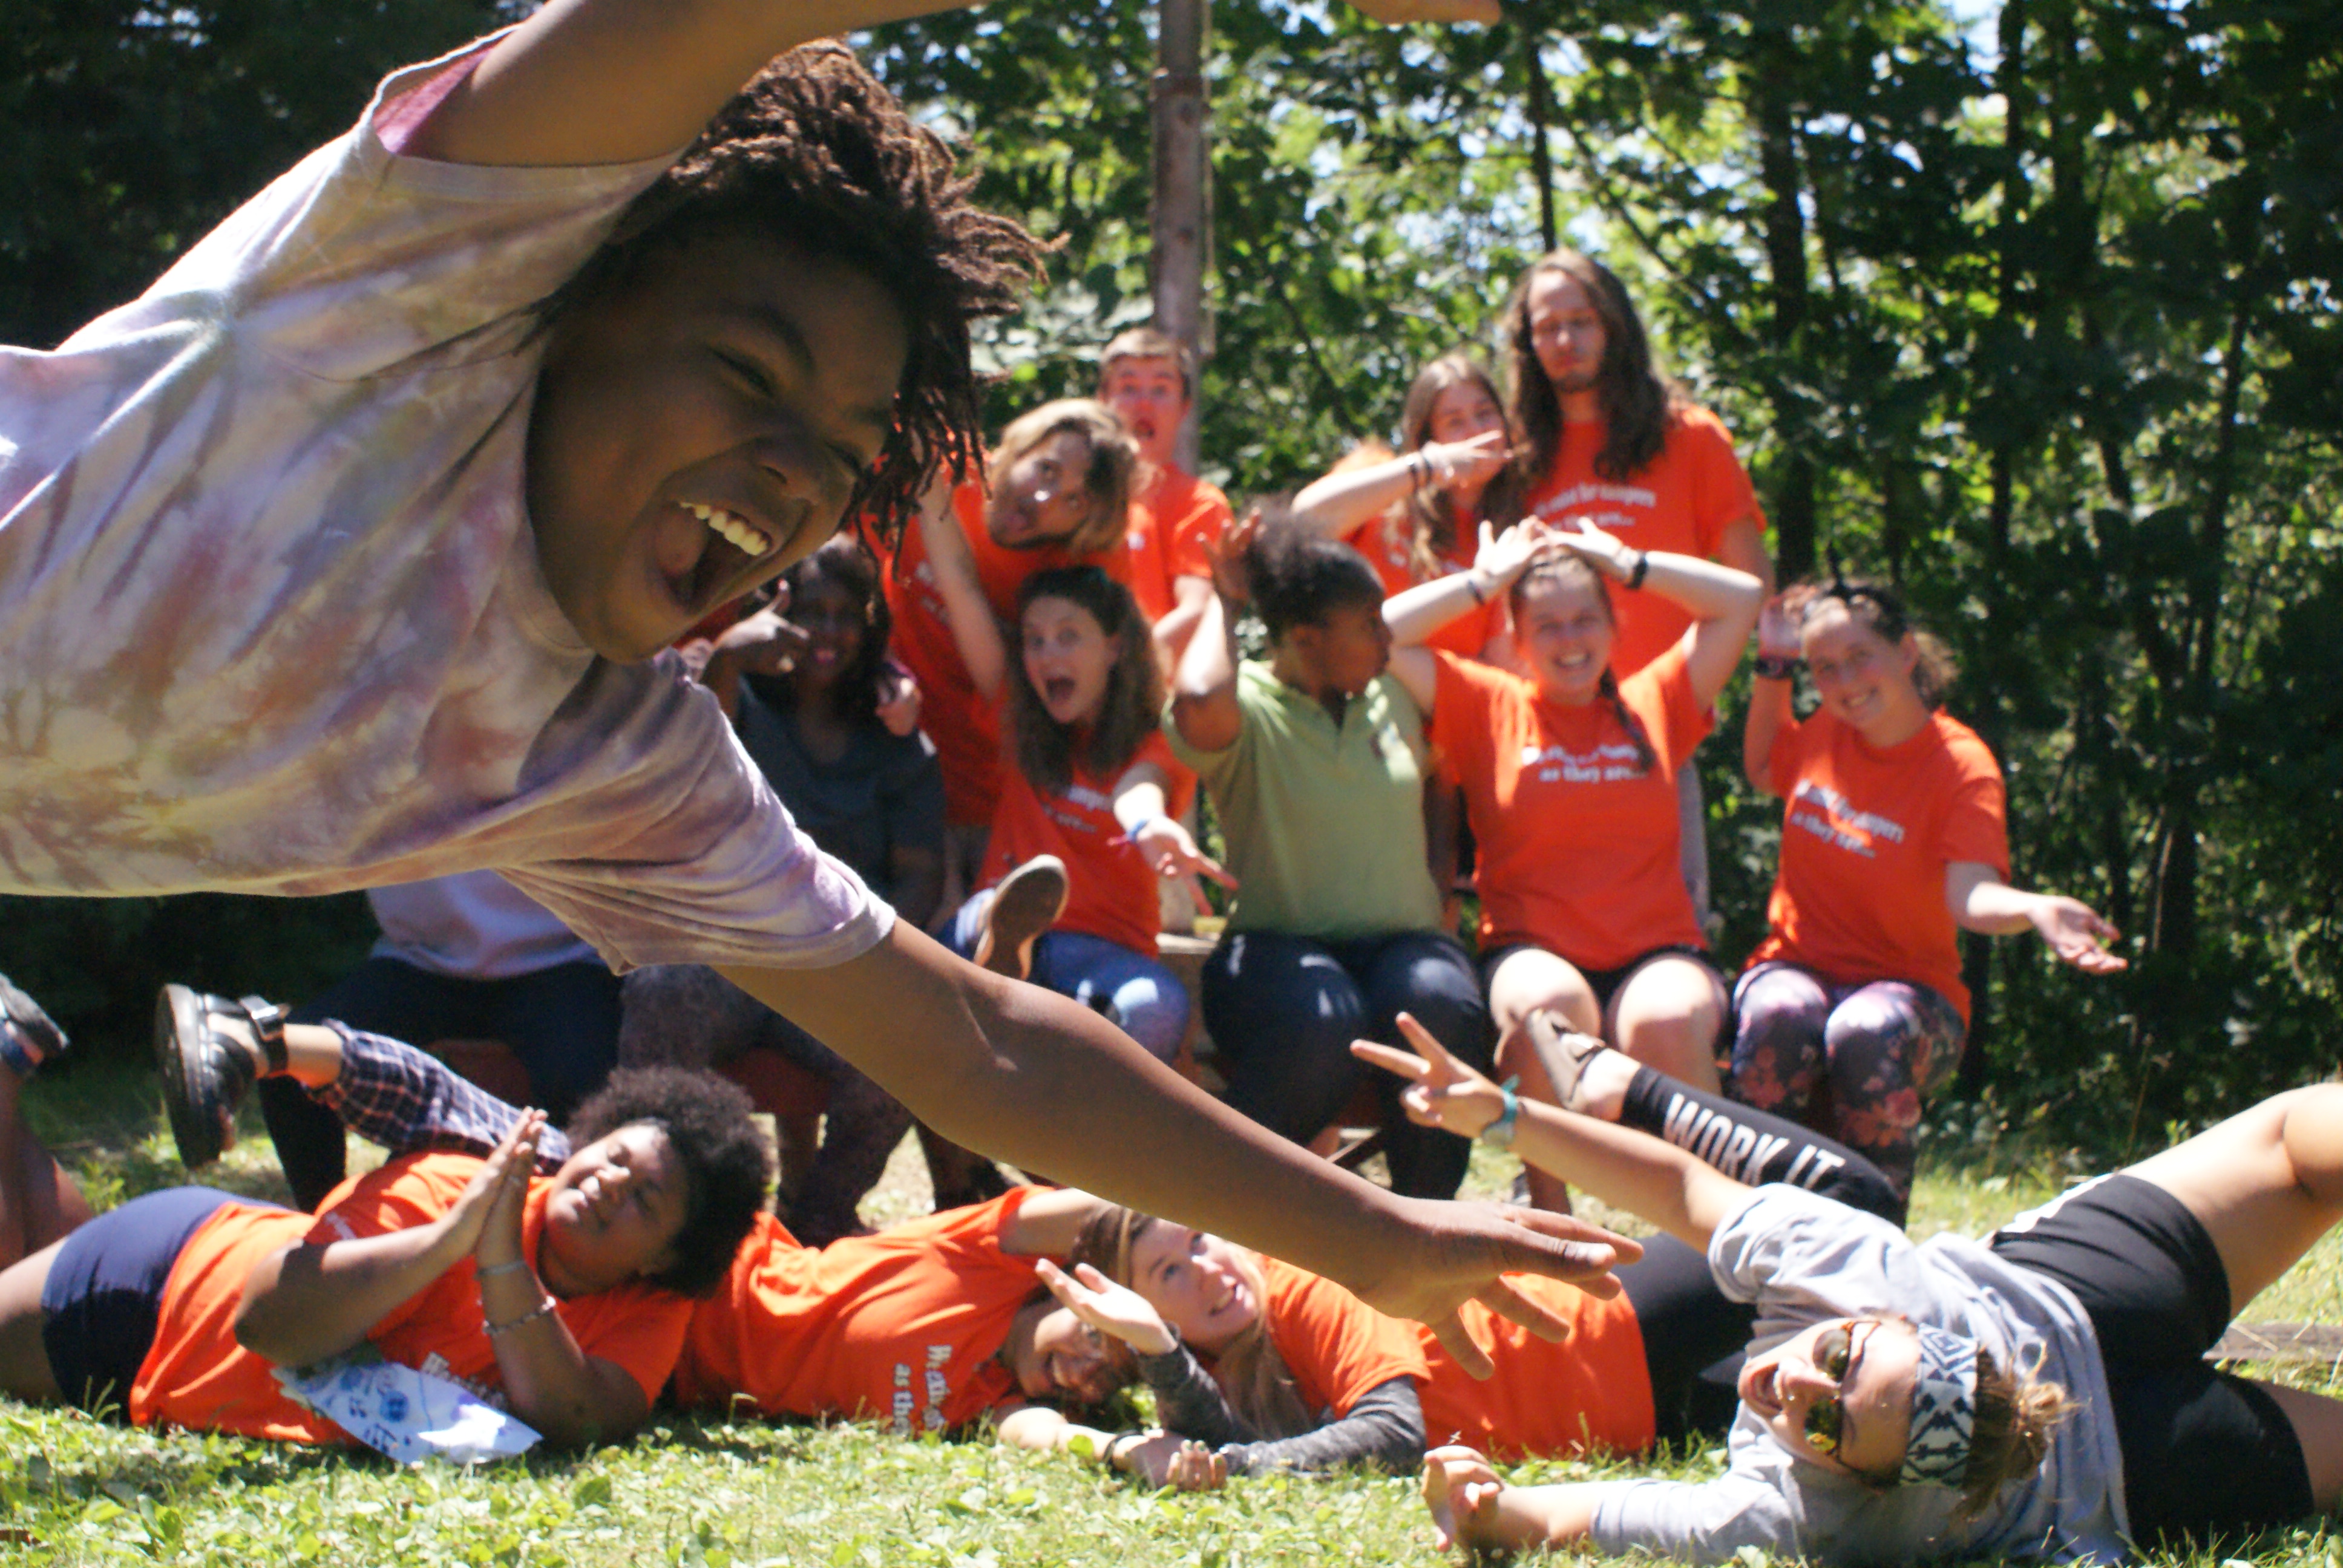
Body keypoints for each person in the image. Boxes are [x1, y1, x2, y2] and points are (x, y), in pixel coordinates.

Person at [0, 0, 1630, 1361]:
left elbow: (982, 1042)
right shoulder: (400, 302)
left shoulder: (616, 758)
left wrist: (1375, 1234)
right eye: (746, 374)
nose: (790, 481)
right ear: (570, 299)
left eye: (842, 453)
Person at [1365, 1018, 2343, 1564]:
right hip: (2140, 1462)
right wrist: (1499, 1514)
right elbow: (1583, 1519)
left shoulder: (1843, 1268)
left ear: (1873, 1318)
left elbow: (1681, 1188)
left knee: (2303, 1136)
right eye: (1830, 1426)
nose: (1789, 1389)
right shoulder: (1801, 1511)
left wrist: (1503, 1112)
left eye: (1834, 1361)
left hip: (2071, 1288)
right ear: (1864, 1481)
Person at [1011, 1011, 1908, 1491]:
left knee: (1856, 1207)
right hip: (1634, 1418)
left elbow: (1392, 1435)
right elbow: (1219, 1436)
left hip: (1615, 1332)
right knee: (1874, 1335)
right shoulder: (1231, 1358)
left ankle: (1632, 1090)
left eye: (1199, 1241)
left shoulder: (1297, 1286)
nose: (1209, 1267)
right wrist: (1163, 1360)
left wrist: (1230, 1469)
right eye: (1172, 1272)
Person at [2, 987, 768, 1448]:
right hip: (163, 1291)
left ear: (663, 1259)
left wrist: (499, 1265)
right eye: (611, 1158)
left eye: (642, 1199)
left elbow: (579, 1419)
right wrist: (447, 1243)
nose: (608, 1184)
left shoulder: (647, 1308)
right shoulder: (453, 1184)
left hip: (175, 1340)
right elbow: (268, 1325)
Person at [1379, 516, 1763, 1209]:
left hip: (1655, 952)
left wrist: (1626, 561)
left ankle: (1721, 1223)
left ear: (1614, 629)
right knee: (1546, 1010)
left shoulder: (1657, 700)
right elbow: (1380, 633)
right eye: (1547, 626)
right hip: (1533, 949)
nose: (1569, 640)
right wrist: (1483, 581)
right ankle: (1550, 1215)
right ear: (1518, 640)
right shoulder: (1483, 702)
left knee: (1665, 1021)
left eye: (1585, 620)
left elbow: (1739, 598)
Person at [1735, 581, 2126, 1200]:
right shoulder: (1822, 733)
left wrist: (2033, 908)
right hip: (1794, 966)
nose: (1844, 681)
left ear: (1906, 652)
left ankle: (1872, 1246)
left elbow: (1968, 896)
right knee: (1776, 1015)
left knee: (1860, 1031)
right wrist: (1774, 664)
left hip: (1910, 997)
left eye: (1860, 657)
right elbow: (1760, 770)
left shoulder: (1960, 764)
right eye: (1824, 668)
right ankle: (1754, 1231)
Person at [621, 537, 951, 1243]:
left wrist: (871, 954)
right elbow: (688, 752)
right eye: (809, 611)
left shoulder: (893, 732)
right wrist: (732, 653)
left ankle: (818, 1218)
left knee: (908, 1048)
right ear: (775, 609)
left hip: (835, 964)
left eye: (844, 614)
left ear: (870, 627)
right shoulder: (727, 691)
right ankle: (668, 1205)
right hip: (727, 951)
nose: (826, 632)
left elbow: (921, 872)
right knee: (660, 989)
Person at [1165, 514, 1495, 1200]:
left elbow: (1440, 778)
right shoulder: (1248, 705)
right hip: (1274, 958)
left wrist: (1439, 877)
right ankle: (1223, 1208)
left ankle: (1424, 1227)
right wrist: (1224, 602)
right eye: (1369, 625)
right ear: (1307, 640)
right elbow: (1196, 699)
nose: (1387, 638)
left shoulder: (1392, 694)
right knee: (1324, 1020)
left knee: (1436, 1003)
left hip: (1401, 948)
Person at [1503, 249, 1775, 923]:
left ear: (1615, 325)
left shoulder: (1689, 437)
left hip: (1655, 745)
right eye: (1546, 328)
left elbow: (1752, 589)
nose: (1564, 341)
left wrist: (1687, 701)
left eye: (1581, 321)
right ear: (1527, 343)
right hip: (1537, 750)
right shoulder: (1514, 452)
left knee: (1669, 952)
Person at [917, 492, 1229, 1060]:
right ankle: (1006, 953)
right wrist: (927, 489)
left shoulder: (1152, 736)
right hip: (987, 923)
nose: (1046, 654)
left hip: (1106, 954)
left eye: (1067, 636)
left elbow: (1142, 789)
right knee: (978, 924)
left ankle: (1033, 1022)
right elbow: (959, 585)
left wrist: (1147, 826)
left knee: (1157, 1008)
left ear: (1114, 648)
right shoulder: (1016, 708)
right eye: (1034, 639)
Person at [248, 869, 628, 1209]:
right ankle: (323, 1228)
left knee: (584, 1086)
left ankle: (561, 1241)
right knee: (290, 1060)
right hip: (420, 959)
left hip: (563, 957)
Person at [882, 398, 1141, 887]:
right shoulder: (940, 458)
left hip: (988, 801)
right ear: (1020, 447)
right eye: (1046, 470)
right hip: (873, 759)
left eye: (1074, 501)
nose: (1043, 499)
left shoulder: (1079, 575)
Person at [1288, 351, 1520, 662]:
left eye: (1485, 413)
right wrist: (1429, 466)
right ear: (1427, 436)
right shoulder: (1382, 480)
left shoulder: (1510, 532)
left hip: (1438, 698)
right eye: (1455, 422)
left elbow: (1500, 668)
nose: (1476, 431)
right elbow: (1303, 521)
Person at [1096, 327, 1234, 669]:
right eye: (1128, 388)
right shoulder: (1077, 494)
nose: (1143, 403)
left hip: (1150, 700)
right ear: (1102, 401)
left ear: (1184, 407)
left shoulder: (1199, 504)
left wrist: (1113, 674)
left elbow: (1196, 611)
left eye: (1161, 389)